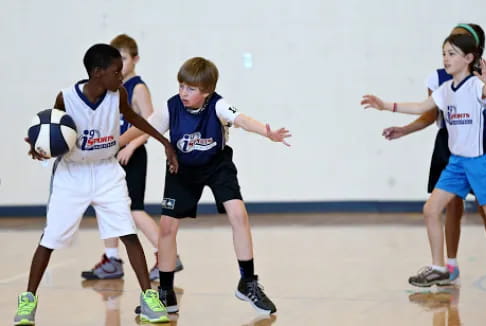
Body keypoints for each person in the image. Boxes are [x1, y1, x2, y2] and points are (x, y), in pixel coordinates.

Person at [14, 43, 178, 325]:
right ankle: (28, 300)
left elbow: (135, 117)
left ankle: (148, 298)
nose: (121, 74)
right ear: (97, 73)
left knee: (127, 231)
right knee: (50, 238)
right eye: (116, 71)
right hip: (72, 174)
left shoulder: (119, 94)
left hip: (106, 172)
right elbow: (51, 131)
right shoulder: (66, 97)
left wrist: (164, 142)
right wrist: (39, 148)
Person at [122, 57, 290, 314]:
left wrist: (266, 132)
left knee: (238, 214)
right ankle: (166, 293)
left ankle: (247, 282)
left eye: (191, 89)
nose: (183, 93)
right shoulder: (171, 107)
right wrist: (112, 144)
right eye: (181, 86)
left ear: (206, 92)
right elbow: (142, 127)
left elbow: (242, 119)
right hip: (182, 168)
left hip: (216, 166)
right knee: (167, 227)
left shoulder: (218, 105)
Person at [361, 33, 486, 287]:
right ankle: (439, 267)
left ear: (468, 58)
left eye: (452, 53)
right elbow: (419, 107)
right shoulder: (446, 90)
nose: (446, 58)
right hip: (457, 163)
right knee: (431, 209)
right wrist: (385, 105)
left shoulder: (477, 86)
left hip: (481, 163)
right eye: (444, 53)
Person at [81, 34, 183, 282]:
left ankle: (167, 255)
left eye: (124, 58)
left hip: (132, 156)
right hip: (111, 155)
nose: (119, 64)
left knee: (134, 209)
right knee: (106, 205)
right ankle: (112, 259)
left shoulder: (137, 86)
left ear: (135, 59)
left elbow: (151, 124)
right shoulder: (111, 88)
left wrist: (131, 146)